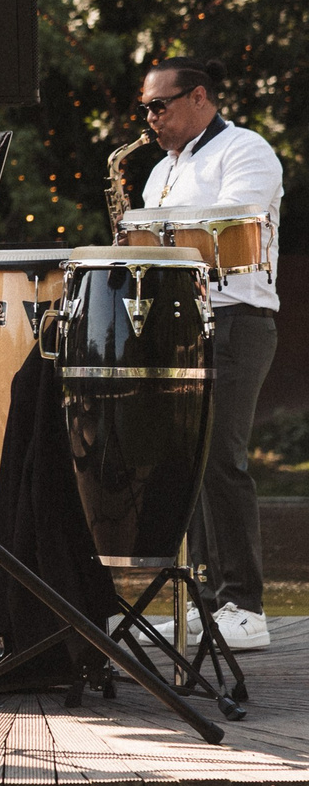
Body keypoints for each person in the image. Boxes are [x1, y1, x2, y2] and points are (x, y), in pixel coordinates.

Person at [136, 56, 284, 652]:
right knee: (186, 459)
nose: (150, 119)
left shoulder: (246, 151)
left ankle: (245, 606)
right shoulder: (160, 170)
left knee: (221, 455)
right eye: (144, 108)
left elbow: (231, 224)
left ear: (199, 97)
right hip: (182, 319)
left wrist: (157, 227)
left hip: (237, 318)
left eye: (158, 106)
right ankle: (207, 600)